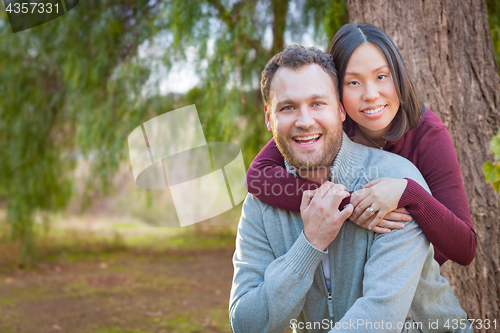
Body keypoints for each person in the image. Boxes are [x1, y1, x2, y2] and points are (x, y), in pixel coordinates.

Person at [229, 45, 472, 333]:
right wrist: (311, 243)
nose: (305, 121)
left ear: (341, 110)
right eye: (288, 107)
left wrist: (359, 201)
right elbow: (246, 325)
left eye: (318, 103)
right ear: (269, 118)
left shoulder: (394, 181)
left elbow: (378, 317)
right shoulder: (260, 204)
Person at [245, 23, 476, 266]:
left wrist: (408, 193)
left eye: (381, 76)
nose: (371, 94)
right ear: (336, 95)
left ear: (398, 76)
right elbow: (257, 177)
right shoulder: (327, 126)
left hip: (407, 272)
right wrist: (352, 205)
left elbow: (465, 248)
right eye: (353, 82)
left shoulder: (427, 134)